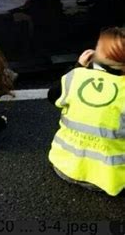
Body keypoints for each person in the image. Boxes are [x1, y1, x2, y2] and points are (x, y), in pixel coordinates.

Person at [47, 27, 125, 196]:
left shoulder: (75, 76)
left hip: (63, 165)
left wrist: (79, 65)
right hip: (107, 179)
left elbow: (53, 95)